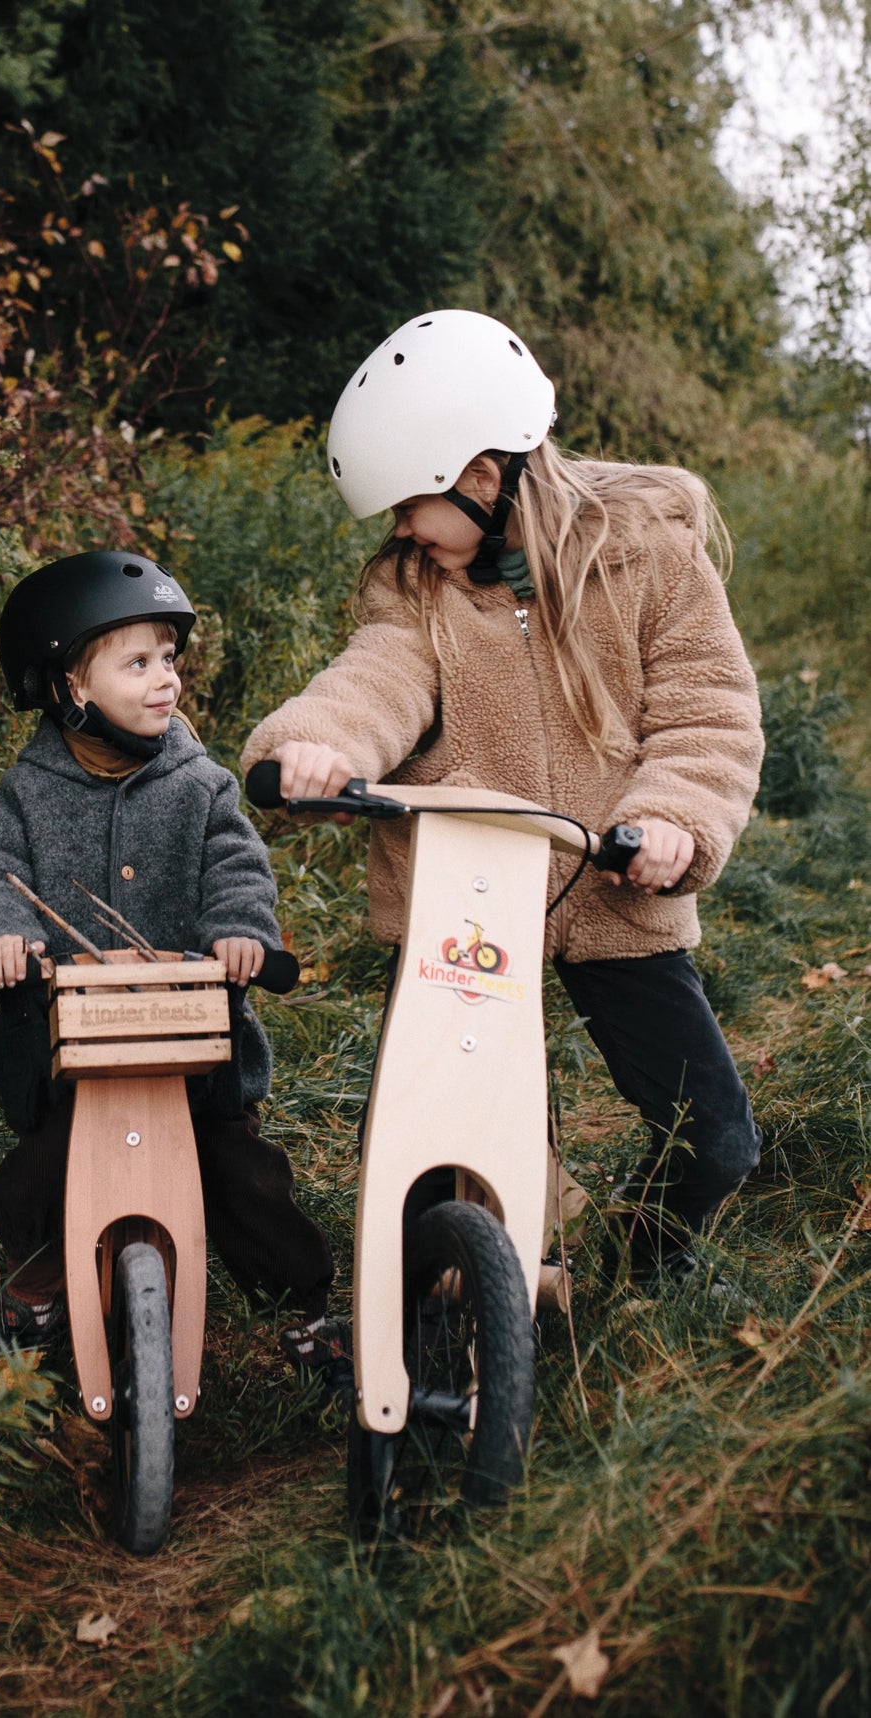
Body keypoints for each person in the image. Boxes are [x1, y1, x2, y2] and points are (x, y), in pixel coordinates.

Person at [240, 309, 765, 1291]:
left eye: (409, 505)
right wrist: (313, 746)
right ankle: (419, 1323)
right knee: (429, 1143)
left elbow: (708, 709)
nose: (400, 531)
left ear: (480, 478)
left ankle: (634, 1277)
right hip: (468, 898)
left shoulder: (648, 556)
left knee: (714, 1138)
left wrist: (674, 823)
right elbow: (375, 679)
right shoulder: (413, 587)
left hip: (613, 892)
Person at [0, 550, 343, 1379]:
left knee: (245, 1180)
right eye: (137, 663)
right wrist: (1, 934)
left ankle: (301, 1310)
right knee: (42, 1176)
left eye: (169, 658)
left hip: (192, 1046)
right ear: (68, 687)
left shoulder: (199, 784)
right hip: (76, 1050)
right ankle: (36, 1277)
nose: (165, 678)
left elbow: (237, 869)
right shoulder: (29, 791)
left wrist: (241, 931)